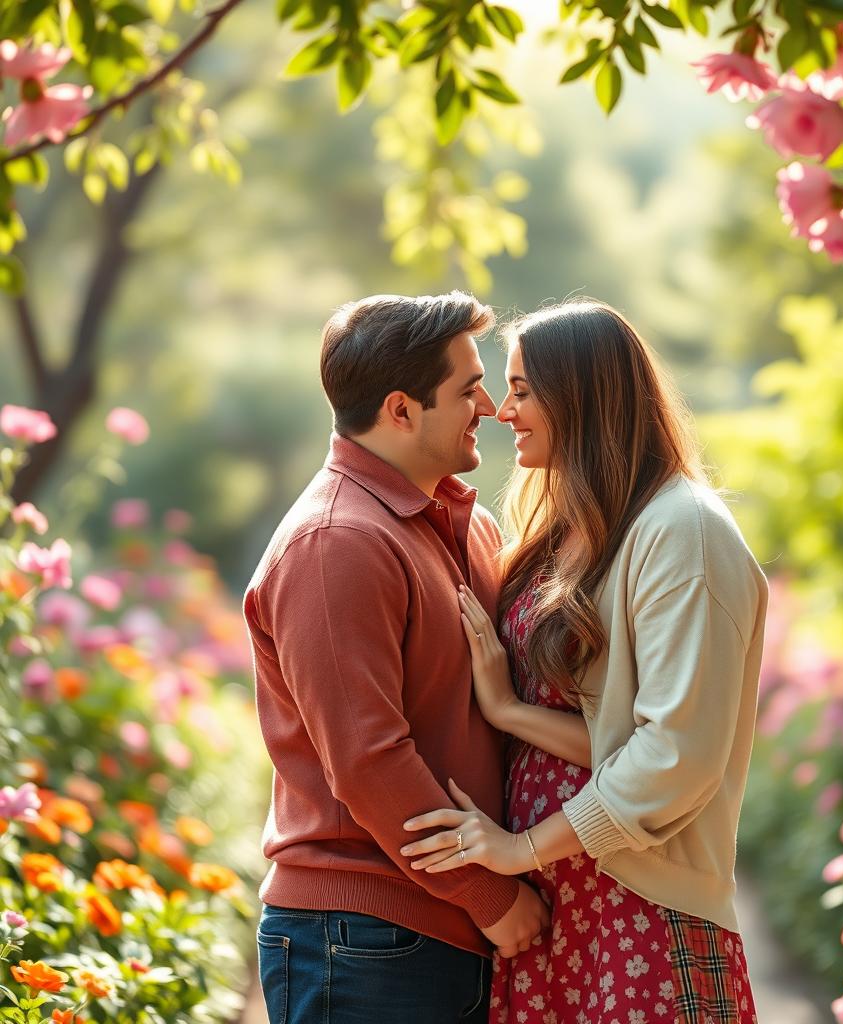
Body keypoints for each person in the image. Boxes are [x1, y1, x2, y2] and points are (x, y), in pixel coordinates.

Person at [400, 299, 769, 1023]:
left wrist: (520, 851)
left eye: (524, 390)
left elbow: (675, 755)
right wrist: (507, 711)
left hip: (639, 910)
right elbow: (614, 739)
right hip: (556, 910)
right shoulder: (571, 527)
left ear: (586, 395)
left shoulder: (683, 533)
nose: (504, 412)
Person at [244, 292, 550, 1024]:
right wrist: (491, 893)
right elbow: (369, 759)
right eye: (467, 390)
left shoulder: (451, 522)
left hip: (435, 930)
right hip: (363, 941)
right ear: (401, 410)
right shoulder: (335, 544)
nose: (490, 407)